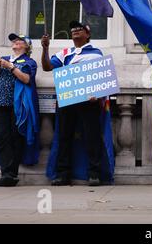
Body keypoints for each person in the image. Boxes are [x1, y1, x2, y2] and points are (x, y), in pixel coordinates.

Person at [41, 21, 115, 186]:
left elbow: (102, 78)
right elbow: (46, 67)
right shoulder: (65, 53)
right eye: (72, 29)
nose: (75, 30)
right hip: (67, 100)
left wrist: (98, 94)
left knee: (92, 137)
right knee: (64, 136)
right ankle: (62, 174)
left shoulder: (97, 53)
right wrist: (45, 48)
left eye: (79, 29)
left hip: (89, 102)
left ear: (87, 34)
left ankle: (94, 173)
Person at [0, 33, 40, 187]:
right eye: (14, 41)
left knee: (16, 138)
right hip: (0, 104)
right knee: (3, 138)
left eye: (19, 40)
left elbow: (27, 79)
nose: (15, 42)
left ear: (26, 46)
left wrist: (11, 67)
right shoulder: (4, 59)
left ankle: (12, 174)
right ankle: (6, 173)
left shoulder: (29, 62)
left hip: (18, 106)